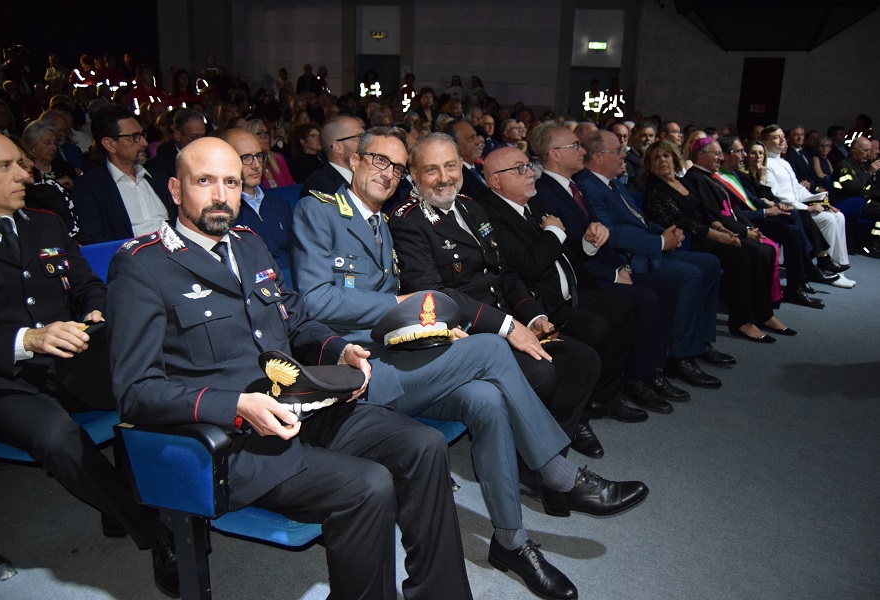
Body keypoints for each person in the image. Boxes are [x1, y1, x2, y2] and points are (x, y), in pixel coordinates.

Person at [106, 136, 472, 599]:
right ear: (176, 190)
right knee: (369, 485)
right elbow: (136, 392)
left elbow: (294, 318)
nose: (220, 195)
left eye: (231, 183)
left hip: (302, 407)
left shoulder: (248, 244)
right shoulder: (143, 266)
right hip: (236, 441)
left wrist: (338, 349)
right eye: (205, 181)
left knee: (425, 445)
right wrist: (236, 405)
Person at [292, 126, 648, 600]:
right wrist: (406, 303)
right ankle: (558, 475)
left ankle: (511, 541)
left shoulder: (381, 220)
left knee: (486, 399)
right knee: (493, 349)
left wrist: (431, 325)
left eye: (395, 166)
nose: (387, 173)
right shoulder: (320, 210)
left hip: (401, 353)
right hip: (355, 370)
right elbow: (315, 300)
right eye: (378, 160)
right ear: (354, 160)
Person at [0, 131, 177, 596]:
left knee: (143, 390)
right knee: (58, 437)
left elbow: (88, 285)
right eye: (6, 167)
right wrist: (27, 339)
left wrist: (95, 311)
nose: (24, 175)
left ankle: (127, 502)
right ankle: (152, 529)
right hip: (3, 378)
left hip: (72, 360)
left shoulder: (45, 224)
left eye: (22, 163)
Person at [389, 134, 611, 457]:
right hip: (467, 335)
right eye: (431, 170)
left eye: (450, 166)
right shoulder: (408, 221)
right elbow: (435, 296)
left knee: (583, 361)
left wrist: (533, 316)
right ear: (413, 174)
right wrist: (508, 326)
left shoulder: (471, 207)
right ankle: (532, 463)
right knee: (542, 373)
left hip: (506, 320)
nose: (444, 177)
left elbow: (502, 272)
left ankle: (543, 461)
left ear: (461, 167)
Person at [527, 124, 692, 408]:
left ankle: (653, 370)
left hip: (598, 266)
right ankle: (635, 379)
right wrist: (612, 273)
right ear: (554, 154)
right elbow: (565, 251)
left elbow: (601, 235)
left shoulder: (573, 186)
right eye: (575, 146)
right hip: (584, 276)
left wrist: (620, 266)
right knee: (644, 299)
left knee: (665, 287)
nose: (583, 151)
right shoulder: (544, 193)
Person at [576, 131, 726, 388]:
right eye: (618, 151)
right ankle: (680, 355)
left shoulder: (613, 183)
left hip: (649, 247)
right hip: (633, 256)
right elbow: (611, 233)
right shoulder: (589, 185)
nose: (624, 155)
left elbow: (640, 221)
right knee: (689, 275)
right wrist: (659, 242)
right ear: (599, 157)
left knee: (710, 263)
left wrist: (667, 233)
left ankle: (698, 340)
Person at [646, 138, 793, 341]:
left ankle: (764, 314)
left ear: (674, 159)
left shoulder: (683, 182)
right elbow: (684, 222)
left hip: (707, 232)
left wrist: (722, 229)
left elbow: (707, 212)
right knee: (741, 253)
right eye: (656, 158)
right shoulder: (655, 190)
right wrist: (720, 236)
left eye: (666, 155)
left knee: (754, 250)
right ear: (649, 165)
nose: (662, 160)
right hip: (688, 240)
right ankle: (741, 321)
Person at [714, 136, 831, 307]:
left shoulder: (733, 175)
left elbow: (752, 198)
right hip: (745, 223)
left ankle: (794, 287)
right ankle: (808, 267)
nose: (744, 155)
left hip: (754, 217)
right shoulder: (718, 179)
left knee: (793, 231)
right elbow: (733, 214)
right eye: (740, 151)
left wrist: (774, 206)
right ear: (726, 155)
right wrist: (765, 212)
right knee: (794, 215)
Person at [761, 124, 855, 288]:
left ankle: (839, 269)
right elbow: (777, 196)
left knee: (838, 216)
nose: (782, 140)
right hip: (791, 209)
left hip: (799, 205)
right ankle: (826, 268)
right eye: (776, 137)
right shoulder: (767, 164)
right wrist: (807, 208)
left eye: (782, 136)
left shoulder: (783, 162)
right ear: (765, 142)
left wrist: (821, 202)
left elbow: (798, 189)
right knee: (828, 219)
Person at [71, 104, 175, 243]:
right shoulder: (89, 188)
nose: (144, 143)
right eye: (134, 137)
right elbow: (95, 241)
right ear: (109, 144)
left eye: (142, 135)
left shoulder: (159, 178)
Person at [219, 128, 293, 273]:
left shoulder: (279, 203)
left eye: (259, 156)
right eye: (246, 158)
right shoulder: (219, 211)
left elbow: (296, 254)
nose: (256, 165)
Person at [299, 115, 364, 197]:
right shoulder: (318, 188)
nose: (366, 143)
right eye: (359, 137)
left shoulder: (368, 176)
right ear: (338, 147)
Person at [151, 108, 207, 179]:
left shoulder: (210, 155)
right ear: (177, 135)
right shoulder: (162, 163)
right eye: (194, 136)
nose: (200, 141)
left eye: (203, 136)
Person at [243, 117, 295, 188]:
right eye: (260, 133)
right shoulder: (246, 165)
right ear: (249, 137)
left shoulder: (278, 158)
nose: (267, 136)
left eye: (267, 132)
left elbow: (291, 186)